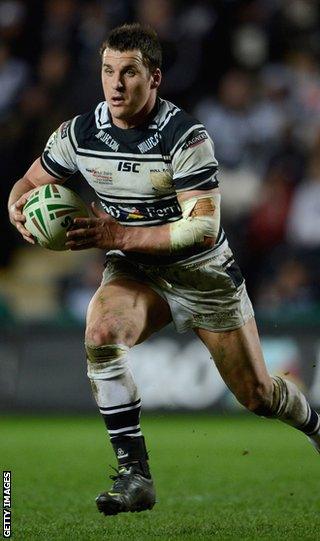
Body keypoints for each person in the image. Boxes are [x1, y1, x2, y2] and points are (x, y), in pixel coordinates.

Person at [8, 23, 320, 517]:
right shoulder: (78, 133)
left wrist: (116, 236)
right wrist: (16, 207)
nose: (115, 84)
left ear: (154, 78)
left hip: (203, 274)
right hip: (137, 272)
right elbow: (28, 180)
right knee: (102, 330)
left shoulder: (185, 136)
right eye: (108, 70)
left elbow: (201, 229)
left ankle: (316, 426)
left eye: (128, 72)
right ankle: (136, 475)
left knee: (258, 395)